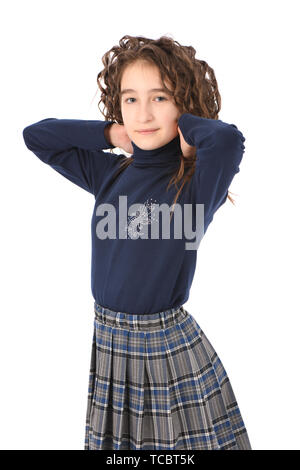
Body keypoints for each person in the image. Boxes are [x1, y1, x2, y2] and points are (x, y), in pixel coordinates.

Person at [22, 34, 252, 450]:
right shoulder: (109, 174)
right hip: (109, 341)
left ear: (182, 102)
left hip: (163, 345)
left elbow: (228, 140)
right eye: (131, 99)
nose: (143, 113)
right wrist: (112, 134)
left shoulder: (196, 185)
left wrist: (187, 124)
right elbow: (37, 136)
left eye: (160, 98)